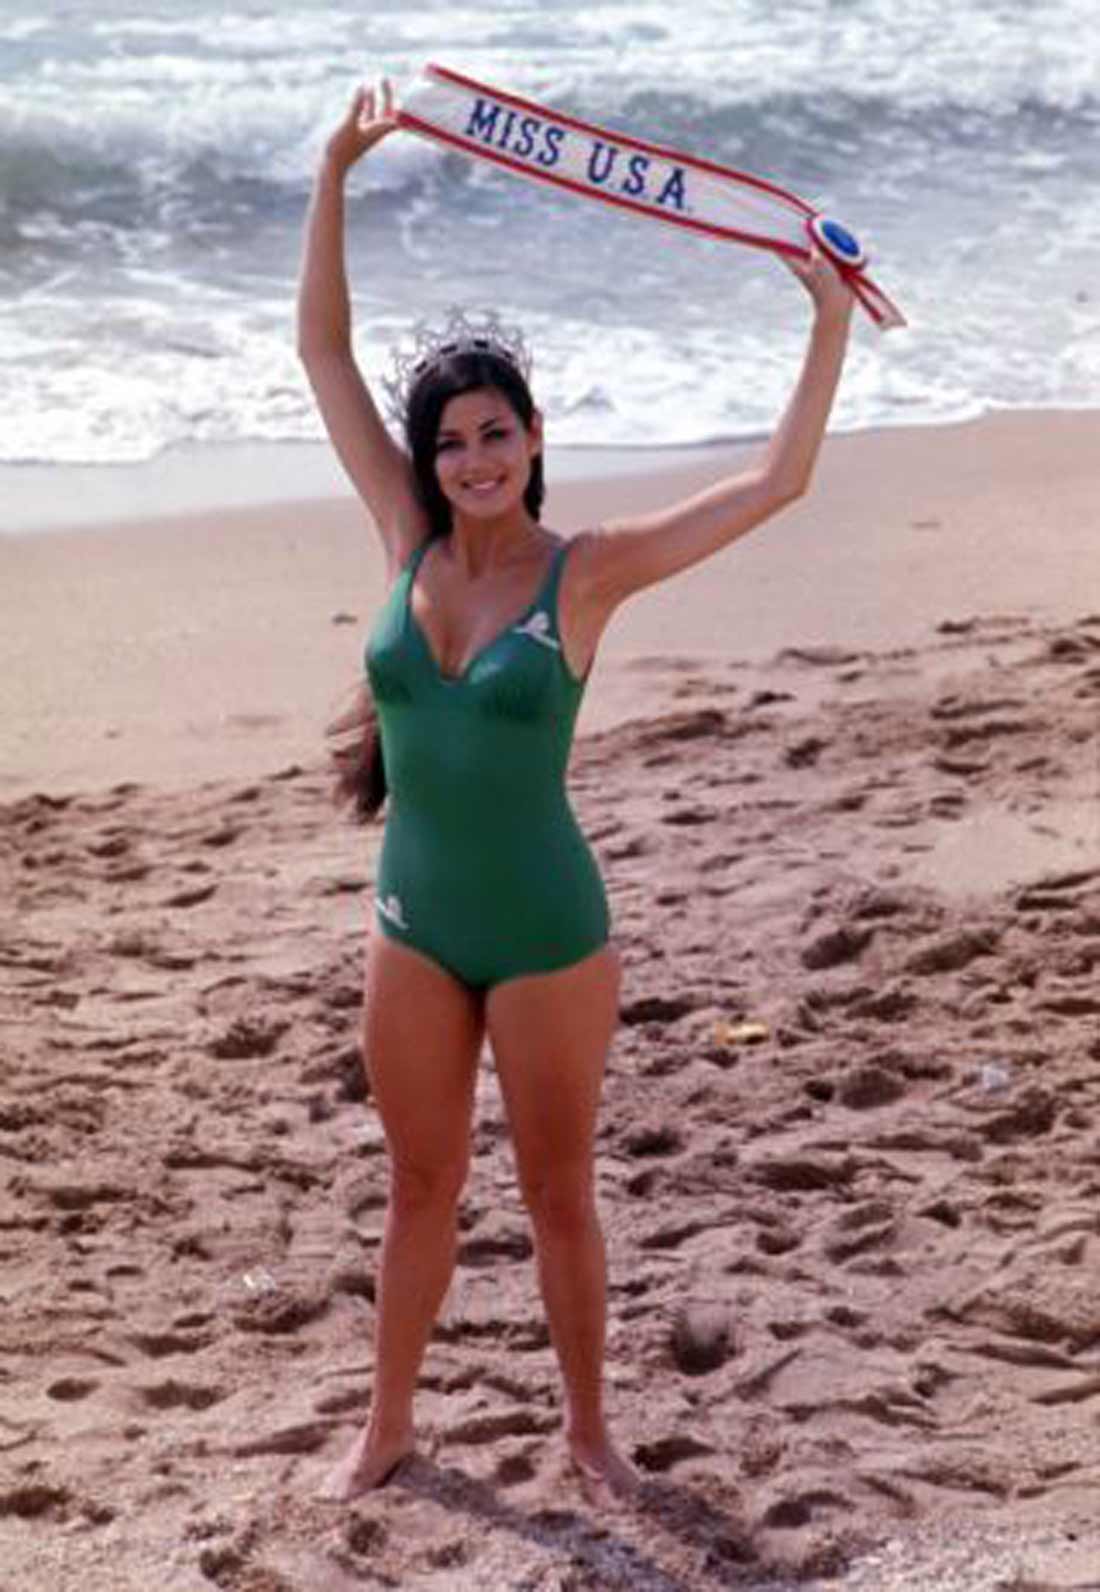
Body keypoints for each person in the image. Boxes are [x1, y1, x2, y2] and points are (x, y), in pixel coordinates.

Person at [297, 80, 854, 1505]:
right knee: (420, 1187)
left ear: (535, 439)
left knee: (556, 1196)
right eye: (451, 441)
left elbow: (778, 482)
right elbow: (323, 351)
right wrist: (336, 170)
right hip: (413, 926)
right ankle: (388, 1426)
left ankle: (590, 1431)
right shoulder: (407, 539)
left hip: (548, 935)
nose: (473, 460)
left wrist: (826, 319)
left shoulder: (584, 576)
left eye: (496, 434)